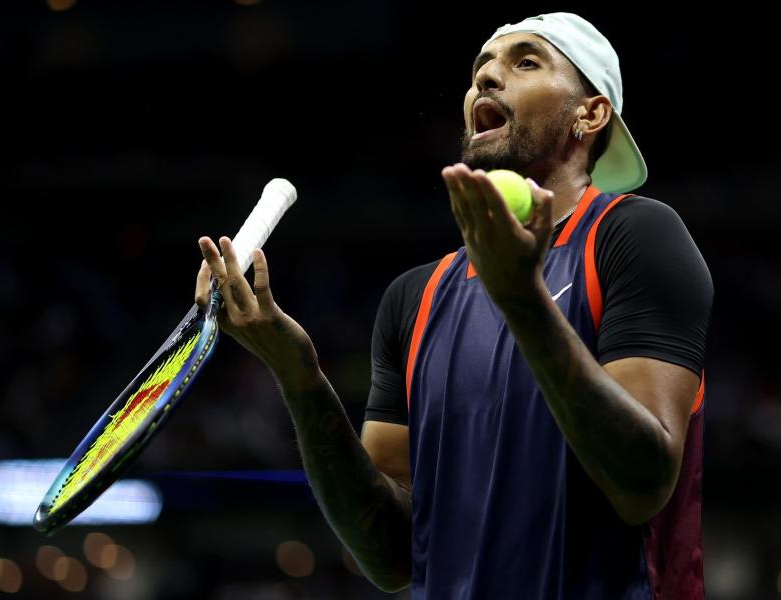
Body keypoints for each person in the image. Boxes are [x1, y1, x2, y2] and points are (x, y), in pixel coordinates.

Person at [195, 12, 713, 600]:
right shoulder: (414, 298)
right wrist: (297, 372)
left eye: (525, 62)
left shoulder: (633, 237)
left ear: (589, 114)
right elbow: (390, 555)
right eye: (479, 71)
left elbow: (641, 483)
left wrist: (520, 300)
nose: (486, 80)